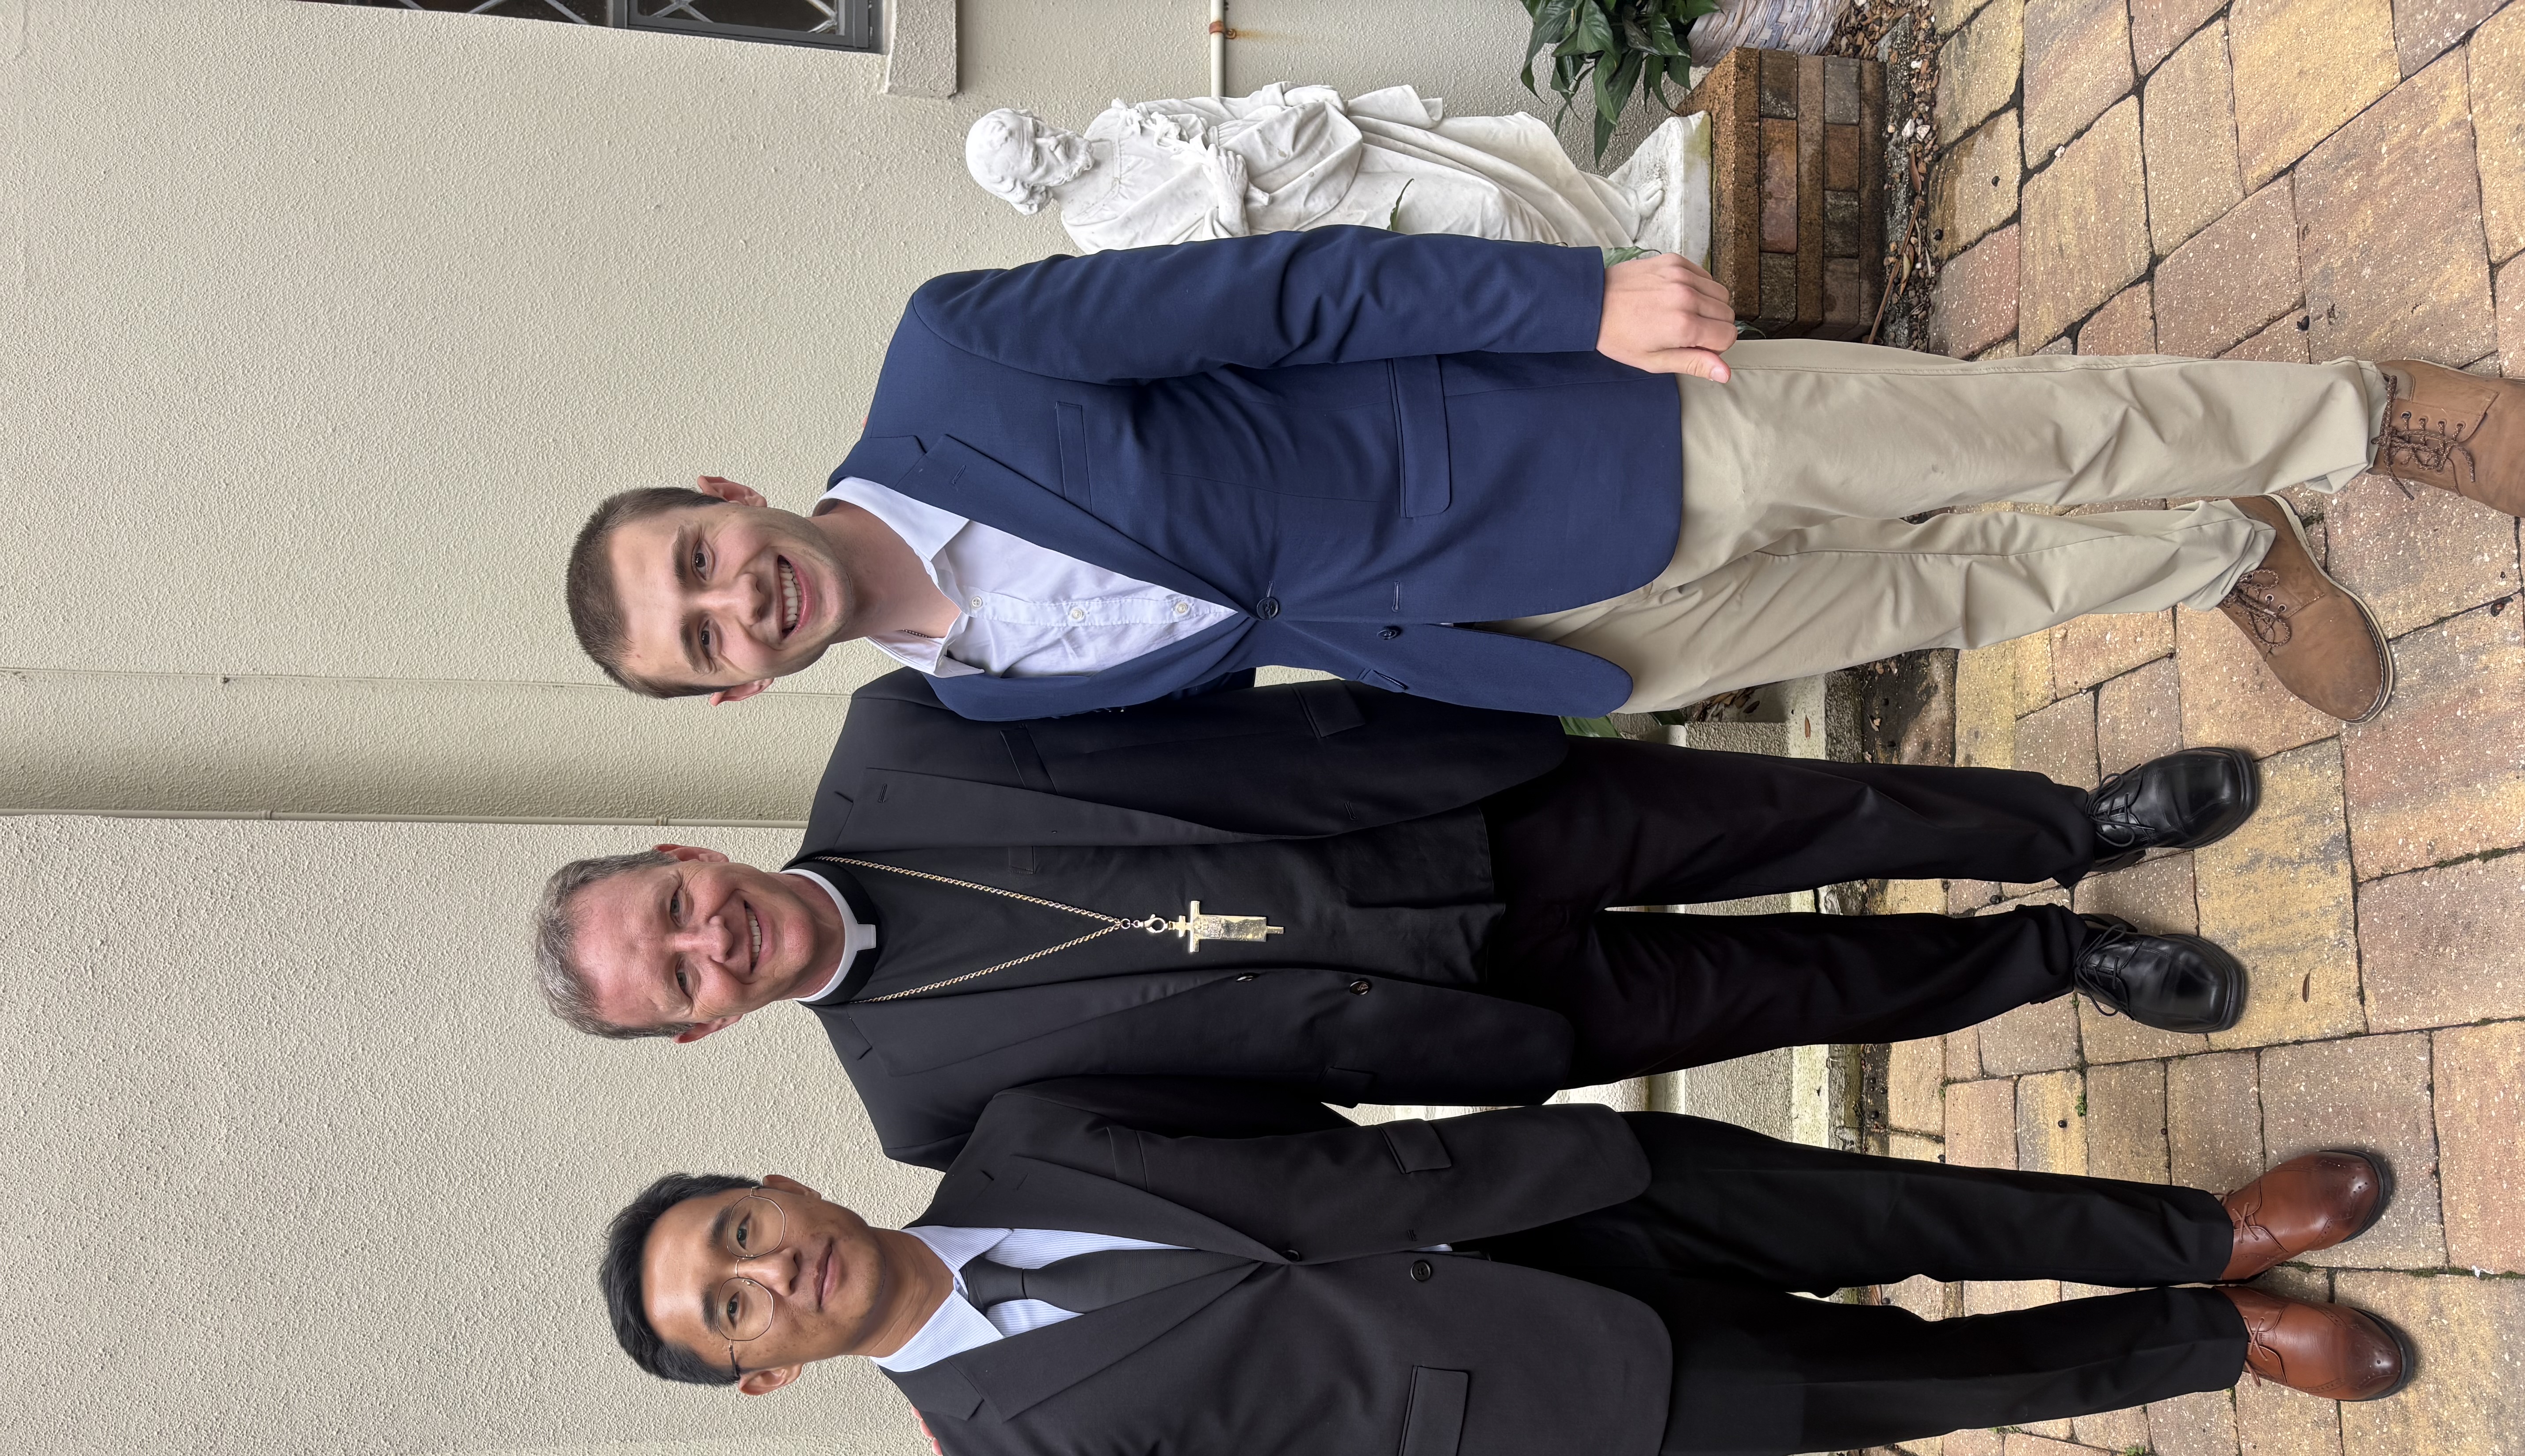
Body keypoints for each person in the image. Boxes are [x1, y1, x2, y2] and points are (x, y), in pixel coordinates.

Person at [564, 228, 2525, 724]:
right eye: (702, 637)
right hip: (1542, 642)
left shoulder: (952, 359)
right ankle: (2225, 554)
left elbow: (1283, 290)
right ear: (732, 687)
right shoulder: (973, 703)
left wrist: (1574, 303)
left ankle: (2377, 415)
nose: (737, 600)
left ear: (725, 493)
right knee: (1940, 591)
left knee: (2016, 430)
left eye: (698, 559)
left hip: (1574, 429)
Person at [597, 1077, 2408, 1456]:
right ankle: (2211, 1345)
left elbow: (1270, 1108)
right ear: (765, 1371)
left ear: (774, 1182)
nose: (772, 1271)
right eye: (731, 1306)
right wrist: (1460, 1438)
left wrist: (1417, 1188)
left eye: (737, 1232)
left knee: (1902, 1211)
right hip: (1566, 1399)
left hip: (1555, 1189)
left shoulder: (1023, 1133)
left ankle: (2206, 1234)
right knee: (1927, 1385)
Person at [533, 669, 2256, 1167]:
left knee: (1803, 815)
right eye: (673, 978)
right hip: (1448, 1013)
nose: (708, 939)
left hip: (1436, 800)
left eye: (672, 905)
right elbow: (1213, 1143)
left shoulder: (895, 731)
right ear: (697, 1029)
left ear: (686, 850)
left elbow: (1162, 662)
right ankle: (2063, 961)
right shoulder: (916, 1111)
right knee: (1800, 985)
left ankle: (2077, 828)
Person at [961, 87, 1650, 252]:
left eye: (1038, 128)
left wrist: (1286, 99)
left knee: (1490, 158)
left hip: (1319, 145)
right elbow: (1196, 279)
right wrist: (1227, 201)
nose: (1054, 142)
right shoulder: (1096, 229)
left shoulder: (1115, 124)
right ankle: (1610, 274)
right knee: (1487, 213)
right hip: (1314, 225)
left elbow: (1222, 110)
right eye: (1038, 153)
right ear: (1031, 187)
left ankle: (1614, 220)